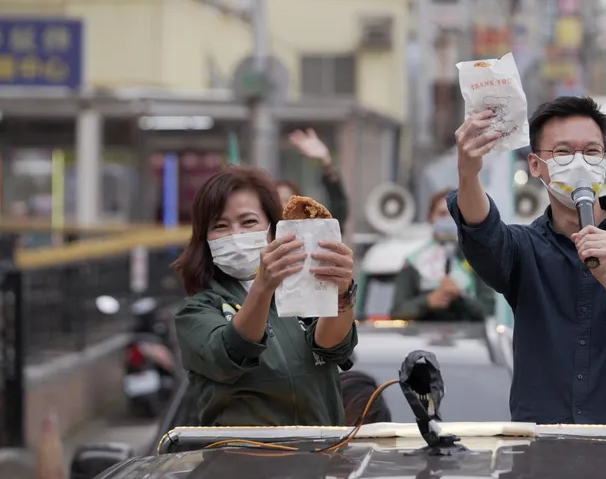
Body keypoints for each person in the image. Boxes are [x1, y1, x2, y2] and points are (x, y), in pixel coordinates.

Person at [448, 96, 606, 425]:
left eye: (591, 151)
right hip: (543, 449)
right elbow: (482, 233)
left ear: (605, 160)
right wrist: (468, 173)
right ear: (535, 165)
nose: (579, 163)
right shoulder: (524, 247)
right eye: (562, 152)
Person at [173, 165, 359, 427]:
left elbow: (332, 347)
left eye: (248, 222)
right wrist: (263, 286)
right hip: (243, 459)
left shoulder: (302, 287)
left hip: (321, 457)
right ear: (204, 238)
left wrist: (341, 293)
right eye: (220, 226)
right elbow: (231, 352)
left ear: (274, 229)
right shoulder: (197, 310)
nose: (236, 235)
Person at [390, 189, 496, 321]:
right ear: (430, 217)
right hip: (422, 338)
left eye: (454, 214)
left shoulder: (477, 260)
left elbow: (488, 310)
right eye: (442, 213)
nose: (448, 219)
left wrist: (460, 296)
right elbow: (397, 311)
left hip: (467, 338)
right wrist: (428, 301)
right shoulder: (414, 261)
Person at [276, 128, 349, 231]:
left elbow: (338, 208)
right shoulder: (264, 236)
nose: (283, 207)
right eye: (276, 201)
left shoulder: (311, 233)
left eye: (287, 201)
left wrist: (326, 162)